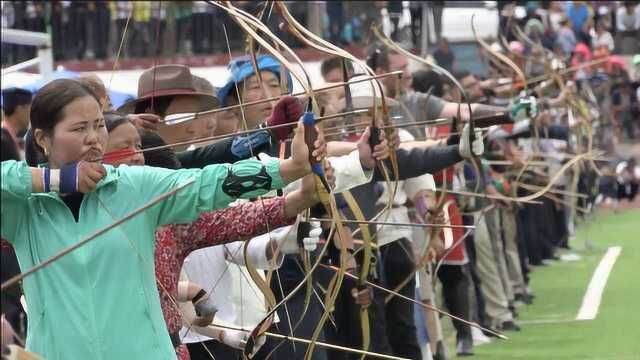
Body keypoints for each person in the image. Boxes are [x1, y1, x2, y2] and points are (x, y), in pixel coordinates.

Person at [1, 78, 316, 359]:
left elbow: (205, 183)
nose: (94, 138)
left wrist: (285, 170)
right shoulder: (25, 207)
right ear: (43, 139)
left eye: (98, 125)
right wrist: (59, 181)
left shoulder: (132, 185)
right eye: (79, 128)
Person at [1, 87, 32, 153]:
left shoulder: (10, 138)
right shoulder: (3, 141)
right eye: (29, 109)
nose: (30, 114)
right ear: (20, 109)